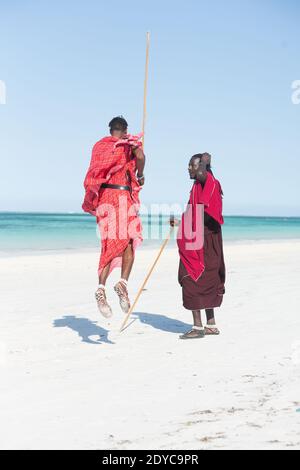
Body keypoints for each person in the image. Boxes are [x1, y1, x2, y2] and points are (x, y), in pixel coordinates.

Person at [82, 116, 145, 317]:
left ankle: (101, 288)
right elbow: (141, 158)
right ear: (125, 130)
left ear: (110, 130)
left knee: (109, 244)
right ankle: (122, 283)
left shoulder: (99, 146)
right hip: (122, 196)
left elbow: (93, 175)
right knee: (129, 241)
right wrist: (140, 173)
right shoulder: (128, 146)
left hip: (104, 199)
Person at [171, 153, 225, 339]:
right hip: (202, 239)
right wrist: (181, 223)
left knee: (191, 276)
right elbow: (195, 214)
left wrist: (186, 225)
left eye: (191, 166)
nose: (188, 169)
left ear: (201, 167)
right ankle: (211, 325)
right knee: (206, 277)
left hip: (205, 241)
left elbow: (208, 215)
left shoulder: (211, 184)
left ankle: (198, 327)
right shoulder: (197, 186)